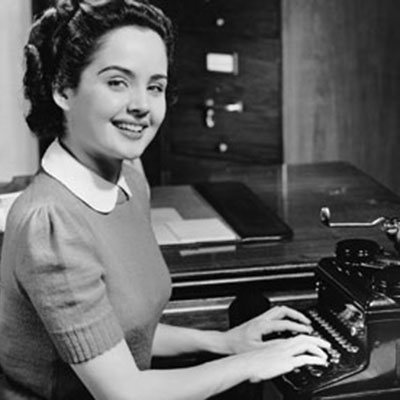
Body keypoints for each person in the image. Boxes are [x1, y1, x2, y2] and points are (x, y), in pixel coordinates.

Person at [0, 0, 331, 399]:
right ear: (62, 90)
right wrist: (248, 363)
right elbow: (125, 393)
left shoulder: (129, 179)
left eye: (154, 86)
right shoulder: (50, 223)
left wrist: (224, 343)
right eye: (117, 82)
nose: (142, 104)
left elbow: (118, 335)